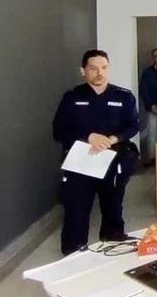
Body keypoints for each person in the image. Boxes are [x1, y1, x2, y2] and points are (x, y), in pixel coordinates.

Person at [53, 50, 140, 255]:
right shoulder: (72, 97)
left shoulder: (123, 96)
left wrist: (113, 139)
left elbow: (133, 125)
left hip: (113, 159)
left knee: (113, 210)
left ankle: (112, 249)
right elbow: (59, 130)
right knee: (76, 211)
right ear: (83, 71)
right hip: (80, 163)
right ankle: (73, 255)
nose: (99, 73)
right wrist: (88, 136)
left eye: (104, 68)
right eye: (93, 68)